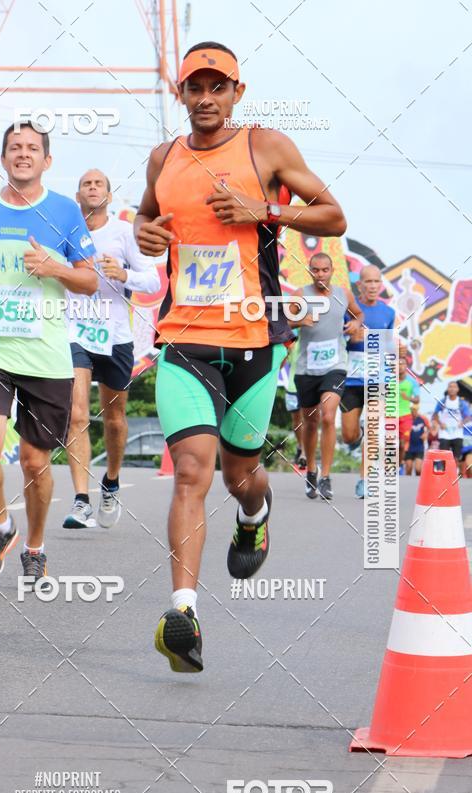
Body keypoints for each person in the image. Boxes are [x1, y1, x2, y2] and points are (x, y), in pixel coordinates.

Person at [134, 41, 347, 673]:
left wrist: (266, 211)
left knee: (238, 475)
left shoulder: (266, 148)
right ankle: (183, 614)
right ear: (181, 95)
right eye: (194, 88)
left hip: (255, 343)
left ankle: (255, 513)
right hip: (184, 340)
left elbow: (333, 216)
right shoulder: (161, 159)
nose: (206, 98)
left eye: (217, 87)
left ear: (236, 93)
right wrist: (147, 235)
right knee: (194, 473)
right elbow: (151, 225)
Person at [0, 121, 97, 582]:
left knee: (35, 462)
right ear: (4, 157)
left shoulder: (65, 211)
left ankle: (35, 546)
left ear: (46, 161)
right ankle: (0, 525)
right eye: (15, 146)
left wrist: (56, 266)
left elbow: (90, 280)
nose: (23, 153)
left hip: (48, 356)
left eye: (33, 147)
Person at [63, 169, 159, 529]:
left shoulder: (123, 232)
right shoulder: (66, 231)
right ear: (78, 194)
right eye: (85, 183)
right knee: (76, 415)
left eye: (98, 183)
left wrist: (124, 274)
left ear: (108, 194)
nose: (91, 187)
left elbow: (151, 278)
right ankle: (81, 500)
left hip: (116, 335)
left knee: (115, 419)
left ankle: (112, 481)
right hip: (75, 331)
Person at [293, 253, 363, 501]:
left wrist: (355, 325)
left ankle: (325, 476)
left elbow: (358, 314)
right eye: (316, 270)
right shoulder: (301, 295)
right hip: (306, 369)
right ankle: (311, 470)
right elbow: (284, 320)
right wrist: (300, 320)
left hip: (335, 365)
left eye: (325, 270)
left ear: (332, 270)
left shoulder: (343, 294)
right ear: (309, 270)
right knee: (310, 423)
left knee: (329, 416)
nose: (320, 274)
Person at [340, 265, 395, 498]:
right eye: (368, 282)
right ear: (360, 284)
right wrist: (350, 336)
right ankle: (357, 438)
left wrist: (393, 369)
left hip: (377, 379)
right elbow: (338, 341)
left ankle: (365, 479)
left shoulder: (388, 313)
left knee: (373, 428)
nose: (372, 286)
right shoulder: (351, 310)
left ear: (380, 285)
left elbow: (389, 345)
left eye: (376, 282)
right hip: (351, 380)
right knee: (348, 436)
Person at [432, 380, 470, 462]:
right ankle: (445, 474)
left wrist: (462, 422)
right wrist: (440, 423)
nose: (452, 389)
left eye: (454, 387)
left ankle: (454, 473)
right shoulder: (442, 402)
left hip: (457, 433)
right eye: (450, 387)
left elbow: (469, 417)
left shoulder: (461, 403)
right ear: (447, 389)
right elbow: (434, 415)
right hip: (444, 433)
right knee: (443, 457)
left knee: (456, 457)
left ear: (457, 389)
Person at [284, 334, 306, 469]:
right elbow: (287, 360)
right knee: (296, 421)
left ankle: (304, 452)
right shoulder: (293, 339)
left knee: (307, 420)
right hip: (292, 386)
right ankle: (300, 445)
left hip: (308, 386)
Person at [398, 356, 420, 466]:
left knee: (402, 444)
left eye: (402, 364)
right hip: (389, 416)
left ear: (406, 366)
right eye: (397, 364)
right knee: (389, 443)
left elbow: (417, 400)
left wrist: (408, 398)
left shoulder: (412, 382)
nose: (400, 366)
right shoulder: (387, 380)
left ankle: (398, 464)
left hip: (405, 416)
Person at [404, 398, 428, 475]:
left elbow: (429, 428)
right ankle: (408, 485)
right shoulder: (406, 419)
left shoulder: (423, 418)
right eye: (412, 409)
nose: (413, 411)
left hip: (419, 447)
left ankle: (419, 483)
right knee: (408, 468)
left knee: (418, 469)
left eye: (415, 409)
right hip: (409, 447)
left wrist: (425, 434)